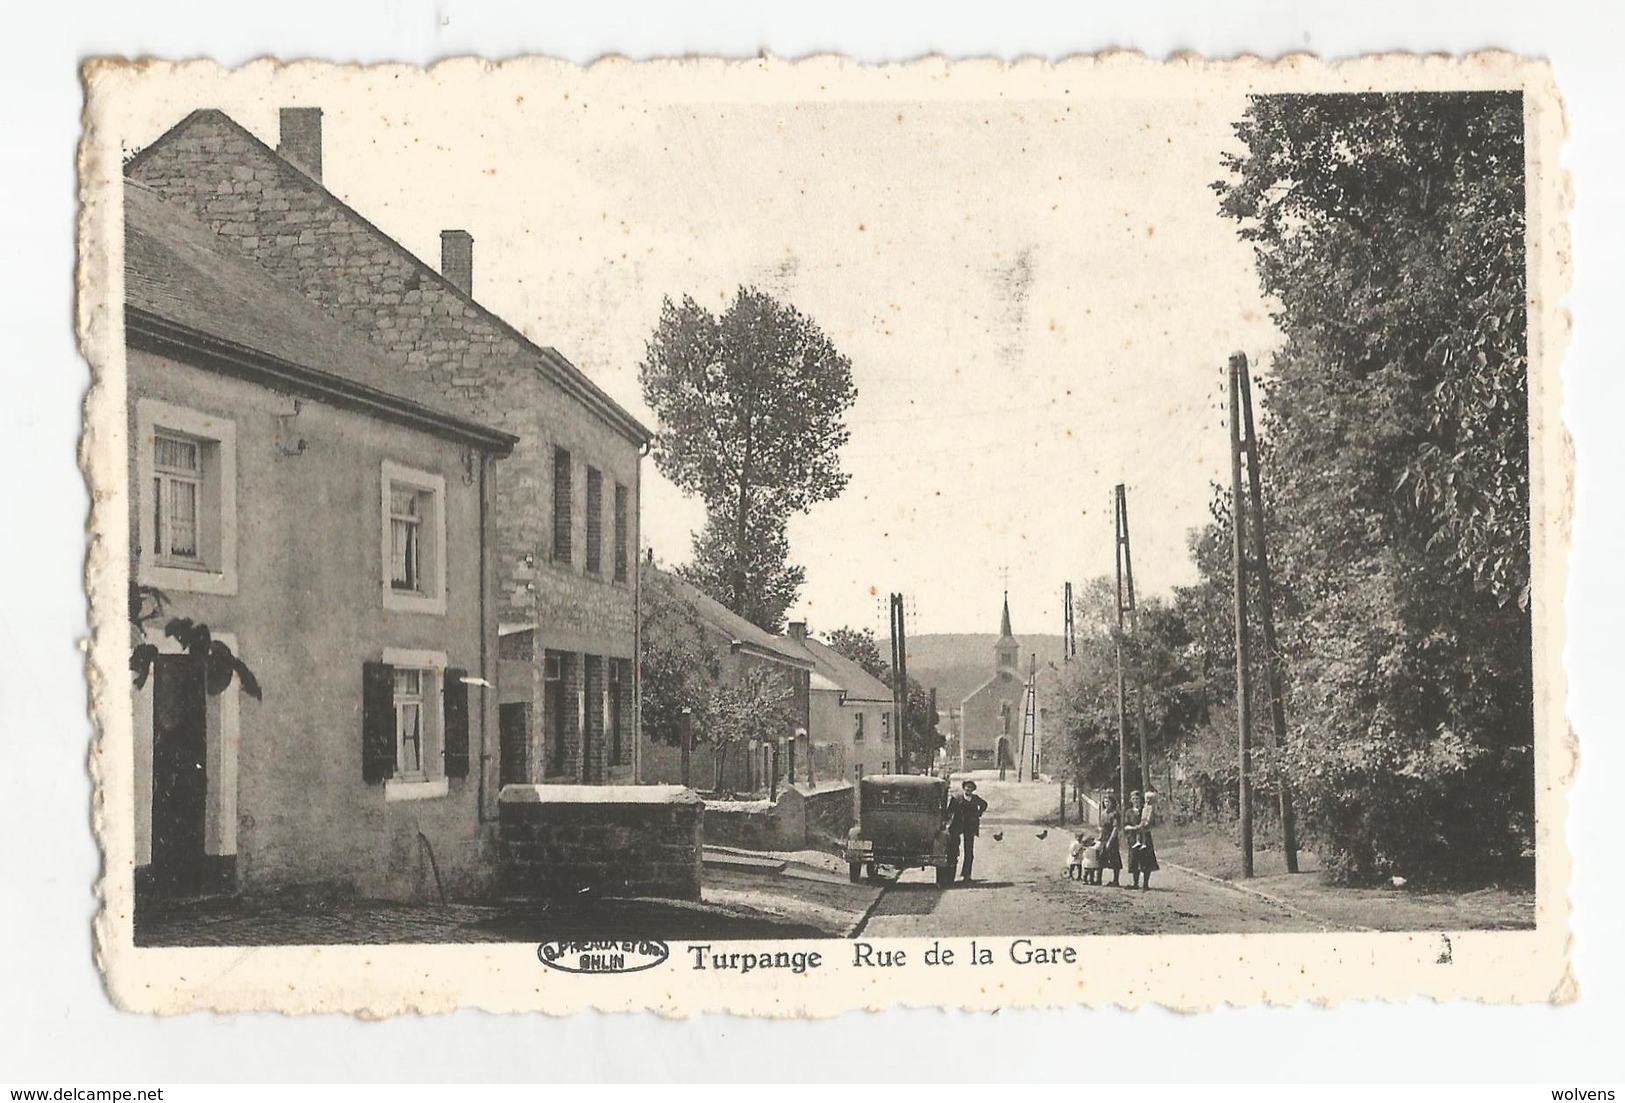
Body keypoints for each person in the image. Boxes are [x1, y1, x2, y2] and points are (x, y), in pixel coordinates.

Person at [944, 779, 989, 882]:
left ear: (973, 789)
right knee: (953, 848)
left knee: (969, 851)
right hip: (957, 825)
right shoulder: (956, 798)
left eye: (970, 787)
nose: (968, 789)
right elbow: (950, 810)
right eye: (967, 787)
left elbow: (984, 804)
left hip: (970, 826)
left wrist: (978, 813)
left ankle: (966, 875)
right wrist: (948, 821)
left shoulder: (975, 799)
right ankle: (950, 874)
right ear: (963, 788)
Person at [1127, 790, 1160, 890]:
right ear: (1131, 800)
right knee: (1134, 860)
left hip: (1145, 836)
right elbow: (1126, 824)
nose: (1135, 801)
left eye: (1137, 799)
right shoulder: (1129, 812)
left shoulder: (1146, 809)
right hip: (1134, 838)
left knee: (1146, 860)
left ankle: (1146, 884)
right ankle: (1135, 883)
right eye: (1133, 799)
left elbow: (1151, 821)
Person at [1097, 790, 1124, 887]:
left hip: (1111, 837)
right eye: (1105, 802)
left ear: (1112, 803)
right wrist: (1099, 837)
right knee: (1100, 856)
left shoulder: (1115, 814)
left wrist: (1110, 841)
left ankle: (1116, 880)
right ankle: (1098, 879)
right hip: (1103, 836)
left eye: (1108, 802)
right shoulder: (1103, 813)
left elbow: (1116, 828)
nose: (1106, 803)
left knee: (1114, 858)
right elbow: (1101, 826)